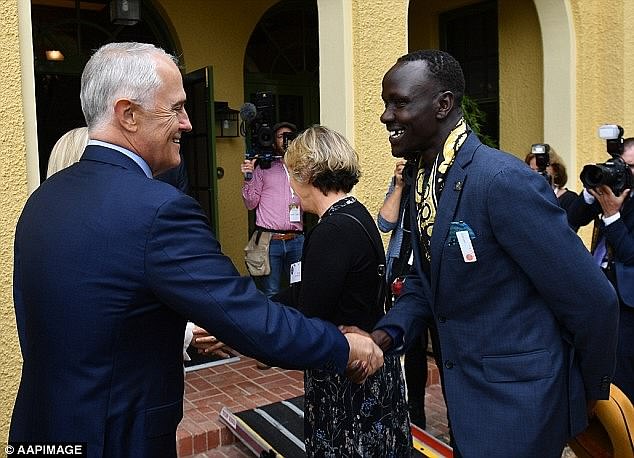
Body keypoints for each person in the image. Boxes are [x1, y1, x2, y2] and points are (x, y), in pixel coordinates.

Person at [9, 42, 383, 457]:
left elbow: (97, 314)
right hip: (116, 438)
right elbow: (248, 318)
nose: (188, 123)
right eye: (176, 108)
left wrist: (184, 332)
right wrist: (344, 347)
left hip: (39, 434)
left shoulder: (41, 201)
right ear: (128, 115)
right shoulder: (157, 209)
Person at [365, 49, 619, 457]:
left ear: (443, 104)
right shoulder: (421, 177)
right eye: (385, 103)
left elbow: (594, 301)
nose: (386, 116)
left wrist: (585, 397)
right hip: (468, 404)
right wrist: (385, 335)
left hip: (522, 412)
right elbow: (425, 280)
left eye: (399, 103)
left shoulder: (502, 181)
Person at [276, 125, 411, 456]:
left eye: (292, 175)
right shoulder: (355, 213)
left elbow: (309, 312)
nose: (291, 186)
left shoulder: (332, 230)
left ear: (307, 174)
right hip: (370, 366)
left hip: (349, 377)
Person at [568, 137, 634, 403]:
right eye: (621, 165)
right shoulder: (611, 192)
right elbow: (571, 220)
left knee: (624, 368)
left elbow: (630, 254)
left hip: (628, 300)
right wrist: (590, 193)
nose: (623, 172)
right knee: (599, 358)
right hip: (599, 289)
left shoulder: (616, 204)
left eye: (630, 167)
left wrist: (611, 215)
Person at [377, 158, 429, 429]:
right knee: (413, 347)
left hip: (433, 276)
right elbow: (385, 223)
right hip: (404, 273)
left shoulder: (439, 183)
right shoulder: (403, 180)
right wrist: (399, 185)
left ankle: (457, 423)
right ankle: (416, 416)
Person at [240, 121, 303, 298]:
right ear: (273, 142)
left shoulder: (301, 169)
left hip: (296, 241)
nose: (285, 141)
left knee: (298, 291)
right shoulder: (262, 169)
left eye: (289, 137)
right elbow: (250, 203)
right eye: (280, 137)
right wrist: (248, 176)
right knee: (270, 293)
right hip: (270, 242)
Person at [524, 147, 579, 229]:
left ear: (555, 170)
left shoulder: (569, 199)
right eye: (532, 170)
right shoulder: (525, 198)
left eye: (540, 170)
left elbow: (569, 230)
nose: (536, 174)